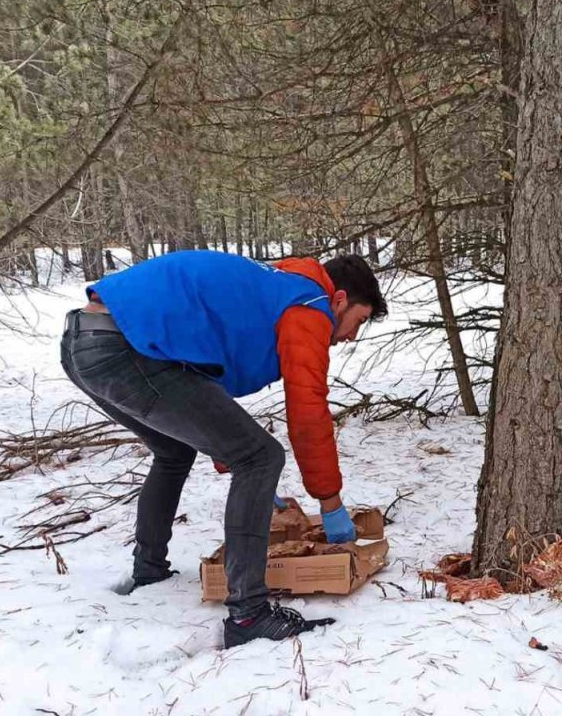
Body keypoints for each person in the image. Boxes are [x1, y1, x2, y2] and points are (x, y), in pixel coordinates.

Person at [59, 250, 387, 646]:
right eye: (359, 320)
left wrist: (245, 475)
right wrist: (330, 503)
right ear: (339, 299)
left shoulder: (277, 286)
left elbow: (198, 376)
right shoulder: (310, 305)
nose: (352, 335)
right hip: (124, 348)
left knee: (175, 452)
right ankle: (249, 616)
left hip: (86, 341)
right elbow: (308, 409)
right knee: (261, 455)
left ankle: (149, 570)